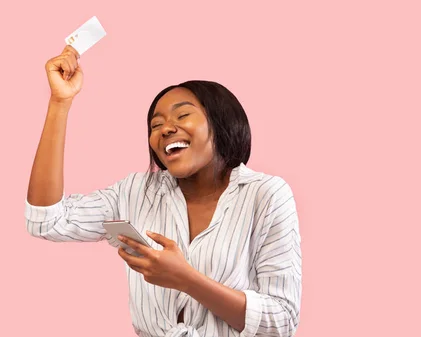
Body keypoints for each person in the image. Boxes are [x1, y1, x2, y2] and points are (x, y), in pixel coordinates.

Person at [25, 45, 302, 337]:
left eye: (182, 116)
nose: (166, 129)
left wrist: (187, 280)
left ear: (221, 124)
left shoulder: (266, 195)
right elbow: (46, 220)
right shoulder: (135, 192)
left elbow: (281, 321)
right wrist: (60, 101)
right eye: (155, 125)